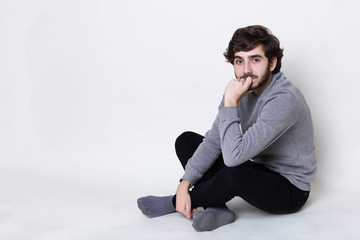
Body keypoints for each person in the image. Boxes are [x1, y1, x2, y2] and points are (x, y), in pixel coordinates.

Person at [137, 25, 317, 232]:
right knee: (187, 141)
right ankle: (218, 209)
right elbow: (215, 140)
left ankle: (173, 203)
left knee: (235, 174)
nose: (246, 69)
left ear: (272, 63)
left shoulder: (284, 99)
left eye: (255, 59)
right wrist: (184, 182)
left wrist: (230, 103)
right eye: (240, 61)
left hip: (290, 189)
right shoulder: (241, 89)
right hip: (257, 169)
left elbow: (232, 159)